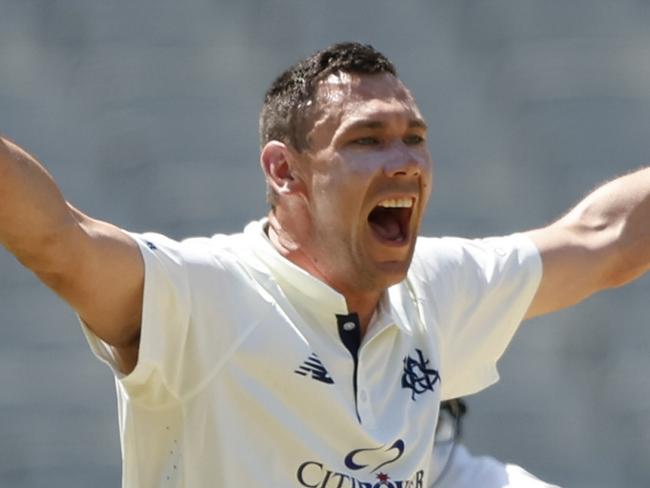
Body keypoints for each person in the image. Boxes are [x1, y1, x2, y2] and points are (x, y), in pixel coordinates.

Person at [1, 41, 648, 487]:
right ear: (286, 171)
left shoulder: (436, 287)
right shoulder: (207, 294)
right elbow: (62, 243)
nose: (406, 162)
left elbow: (606, 237)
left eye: (415, 138)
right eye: (367, 140)